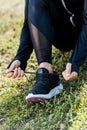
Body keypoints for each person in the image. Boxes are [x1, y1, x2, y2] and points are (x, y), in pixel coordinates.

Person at [6, 0, 86, 102]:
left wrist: (75, 61)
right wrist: (21, 57)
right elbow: (30, 19)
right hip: (63, 35)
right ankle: (46, 72)